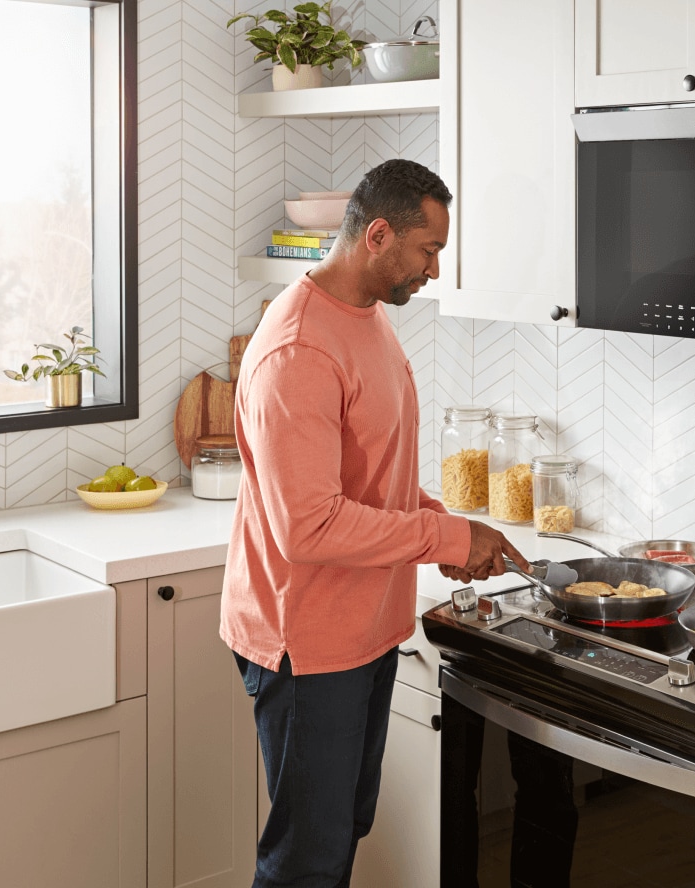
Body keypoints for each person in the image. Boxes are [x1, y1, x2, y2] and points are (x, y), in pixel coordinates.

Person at [221, 158, 527, 888]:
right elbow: (309, 527)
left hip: (364, 629)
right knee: (306, 861)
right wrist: (446, 537)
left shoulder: (367, 317)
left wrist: (444, 524)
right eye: (428, 250)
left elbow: (371, 476)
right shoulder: (299, 348)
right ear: (379, 235)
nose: (434, 269)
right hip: (307, 643)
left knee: (340, 836)